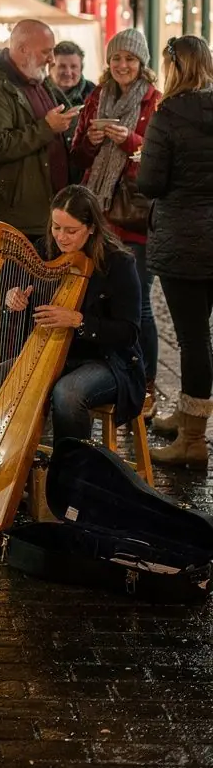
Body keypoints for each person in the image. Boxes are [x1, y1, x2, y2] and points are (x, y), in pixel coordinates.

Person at [0, 185, 145, 443]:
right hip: (53, 353)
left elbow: (129, 332)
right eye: (56, 227)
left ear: (91, 228)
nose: (62, 237)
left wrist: (78, 320)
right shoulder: (45, 250)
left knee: (67, 394)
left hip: (108, 361)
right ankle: (12, 462)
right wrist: (14, 296)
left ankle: (72, 473)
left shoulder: (119, 263)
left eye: (71, 231)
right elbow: (12, 281)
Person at [70, 29, 160, 410]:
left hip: (134, 216)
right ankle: (109, 367)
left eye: (130, 59)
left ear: (143, 64)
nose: (123, 66)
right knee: (100, 298)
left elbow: (157, 159)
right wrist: (90, 140)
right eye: (116, 59)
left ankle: (147, 381)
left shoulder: (154, 102)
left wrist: (130, 140)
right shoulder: (97, 96)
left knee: (137, 303)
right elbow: (77, 155)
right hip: (100, 215)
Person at [138, 35, 213, 467]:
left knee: (193, 338)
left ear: (173, 68)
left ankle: (193, 439)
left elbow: (150, 182)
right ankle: (187, 415)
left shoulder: (167, 115)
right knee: (201, 336)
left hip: (183, 239)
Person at [0, 20, 78, 242]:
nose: (52, 60)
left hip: (47, 212)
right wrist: (47, 128)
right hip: (17, 219)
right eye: (46, 52)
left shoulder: (39, 81)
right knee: (15, 278)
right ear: (22, 49)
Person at [50, 40, 95, 107]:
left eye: (73, 67)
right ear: (50, 68)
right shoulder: (39, 91)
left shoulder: (93, 91)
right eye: (62, 66)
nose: (68, 72)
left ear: (81, 69)